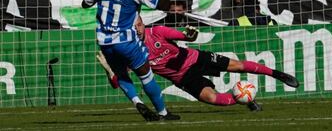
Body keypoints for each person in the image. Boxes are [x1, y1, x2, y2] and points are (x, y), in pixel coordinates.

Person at [97, 17, 300, 110]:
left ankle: (277, 74)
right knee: (212, 99)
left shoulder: (157, 32)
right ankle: (244, 100)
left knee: (236, 65)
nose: (139, 29)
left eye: (140, 24)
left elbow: (185, 35)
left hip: (195, 59)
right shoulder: (128, 51)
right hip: (183, 78)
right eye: (134, 27)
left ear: (143, 23)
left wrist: (190, 35)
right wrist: (108, 69)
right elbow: (118, 83)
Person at [82, 0, 179, 121]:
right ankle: (163, 112)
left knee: (121, 74)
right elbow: (162, 5)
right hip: (126, 41)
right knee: (145, 75)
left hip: (105, 42)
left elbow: (85, 4)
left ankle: (136, 101)